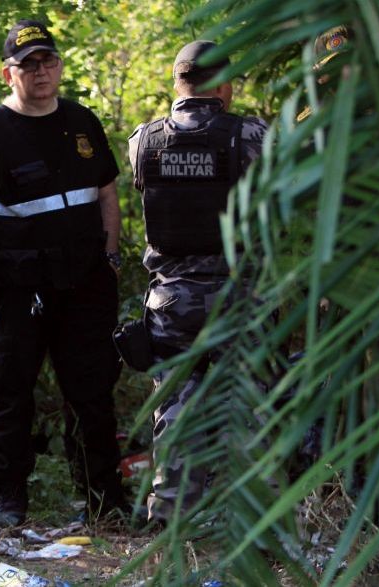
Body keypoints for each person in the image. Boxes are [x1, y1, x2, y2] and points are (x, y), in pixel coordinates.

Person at [0, 19, 128, 524]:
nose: (41, 72)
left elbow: (108, 193)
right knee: (10, 391)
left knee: (92, 391)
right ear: (8, 74)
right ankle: (9, 500)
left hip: (85, 285)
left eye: (48, 62)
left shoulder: (81, 121)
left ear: (59, 66)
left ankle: (104, 501)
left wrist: (111, 258)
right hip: (17, 288)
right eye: (28, 65)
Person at [127, 40, 268, 520]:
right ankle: (252, 522)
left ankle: (170, 516)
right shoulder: (251, 135)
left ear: (177, 81)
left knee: (176, 413)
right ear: (224, 84)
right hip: (237, 296)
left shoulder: (142, 140)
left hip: (171, 301)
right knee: (247, 407)